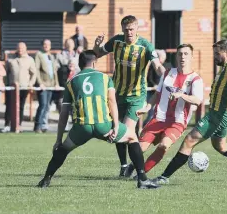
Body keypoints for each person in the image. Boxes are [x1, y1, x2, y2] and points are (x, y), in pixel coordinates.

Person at [151, 40, 227, 185]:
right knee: (220, 146)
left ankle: (164, 177)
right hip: (219, 113)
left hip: (218, 114)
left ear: (226, 53)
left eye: (217, 54)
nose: (214, 57)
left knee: (189, 141)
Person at [37, 50, 159, 189]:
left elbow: (64, 113)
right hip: (103, 125)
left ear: (79, 64)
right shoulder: (105, 78)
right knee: (131, 137)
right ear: (94, 62)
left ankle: (46, 179)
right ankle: (142, 179)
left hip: (82, 127)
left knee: (63, 149)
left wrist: (58, 140)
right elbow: (112, 102)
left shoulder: (71, 82)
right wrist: (116, 126)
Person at [93, 15, 166, 177]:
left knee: (127, 131)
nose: (129, 33)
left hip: (136, 96)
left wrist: (166, 75)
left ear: (137, 29)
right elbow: (96, 55)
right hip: (117, 94)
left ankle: (136, 170)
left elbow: (157, 65)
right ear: (122, 29)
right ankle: (124, 165)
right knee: (118, 130)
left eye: (132, 29)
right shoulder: (116, 42)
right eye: (126, 30)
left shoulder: (145, 46)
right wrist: (96, 45)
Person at [123, 44, 203, 178]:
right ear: (176, 56)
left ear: (192, 56)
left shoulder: (195, 79)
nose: (182, 57)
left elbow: (197, 100)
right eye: (180, 54)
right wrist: (147, 107)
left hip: (177, 122)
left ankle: (141, 175)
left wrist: (181, 95)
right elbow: (157, 94)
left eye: (186, 54)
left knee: (163, 146)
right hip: (158, 118)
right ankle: (132, 165)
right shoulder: (167, 73)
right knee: (140, 148)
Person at [2, 42, 37, 133]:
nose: (20, 50)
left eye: (22, 48)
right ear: (16, 49)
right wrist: (5, 84)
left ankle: (19, 125)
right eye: (19, 48)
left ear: (25, 49)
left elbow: (34, 73)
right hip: (11, 87)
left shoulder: (30, 60)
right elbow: (6, 74)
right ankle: (7, 125)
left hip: (23, 87)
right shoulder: (11, 59)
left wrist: (31, 83)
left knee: (21, 106)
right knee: (9, 106)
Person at [34, 39, 60, 133]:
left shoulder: (51, 56)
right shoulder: (39, 54)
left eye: (48, 44)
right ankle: (37, 126)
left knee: (47, 106)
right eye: (45, 44)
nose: (46, 46)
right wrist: (39, 82)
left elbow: (54, 72)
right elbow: (36, 69)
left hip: (51, 85)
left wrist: (56, 83)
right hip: (43, 85)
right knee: (43, 105)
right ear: (42, 45)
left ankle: (43, 126)